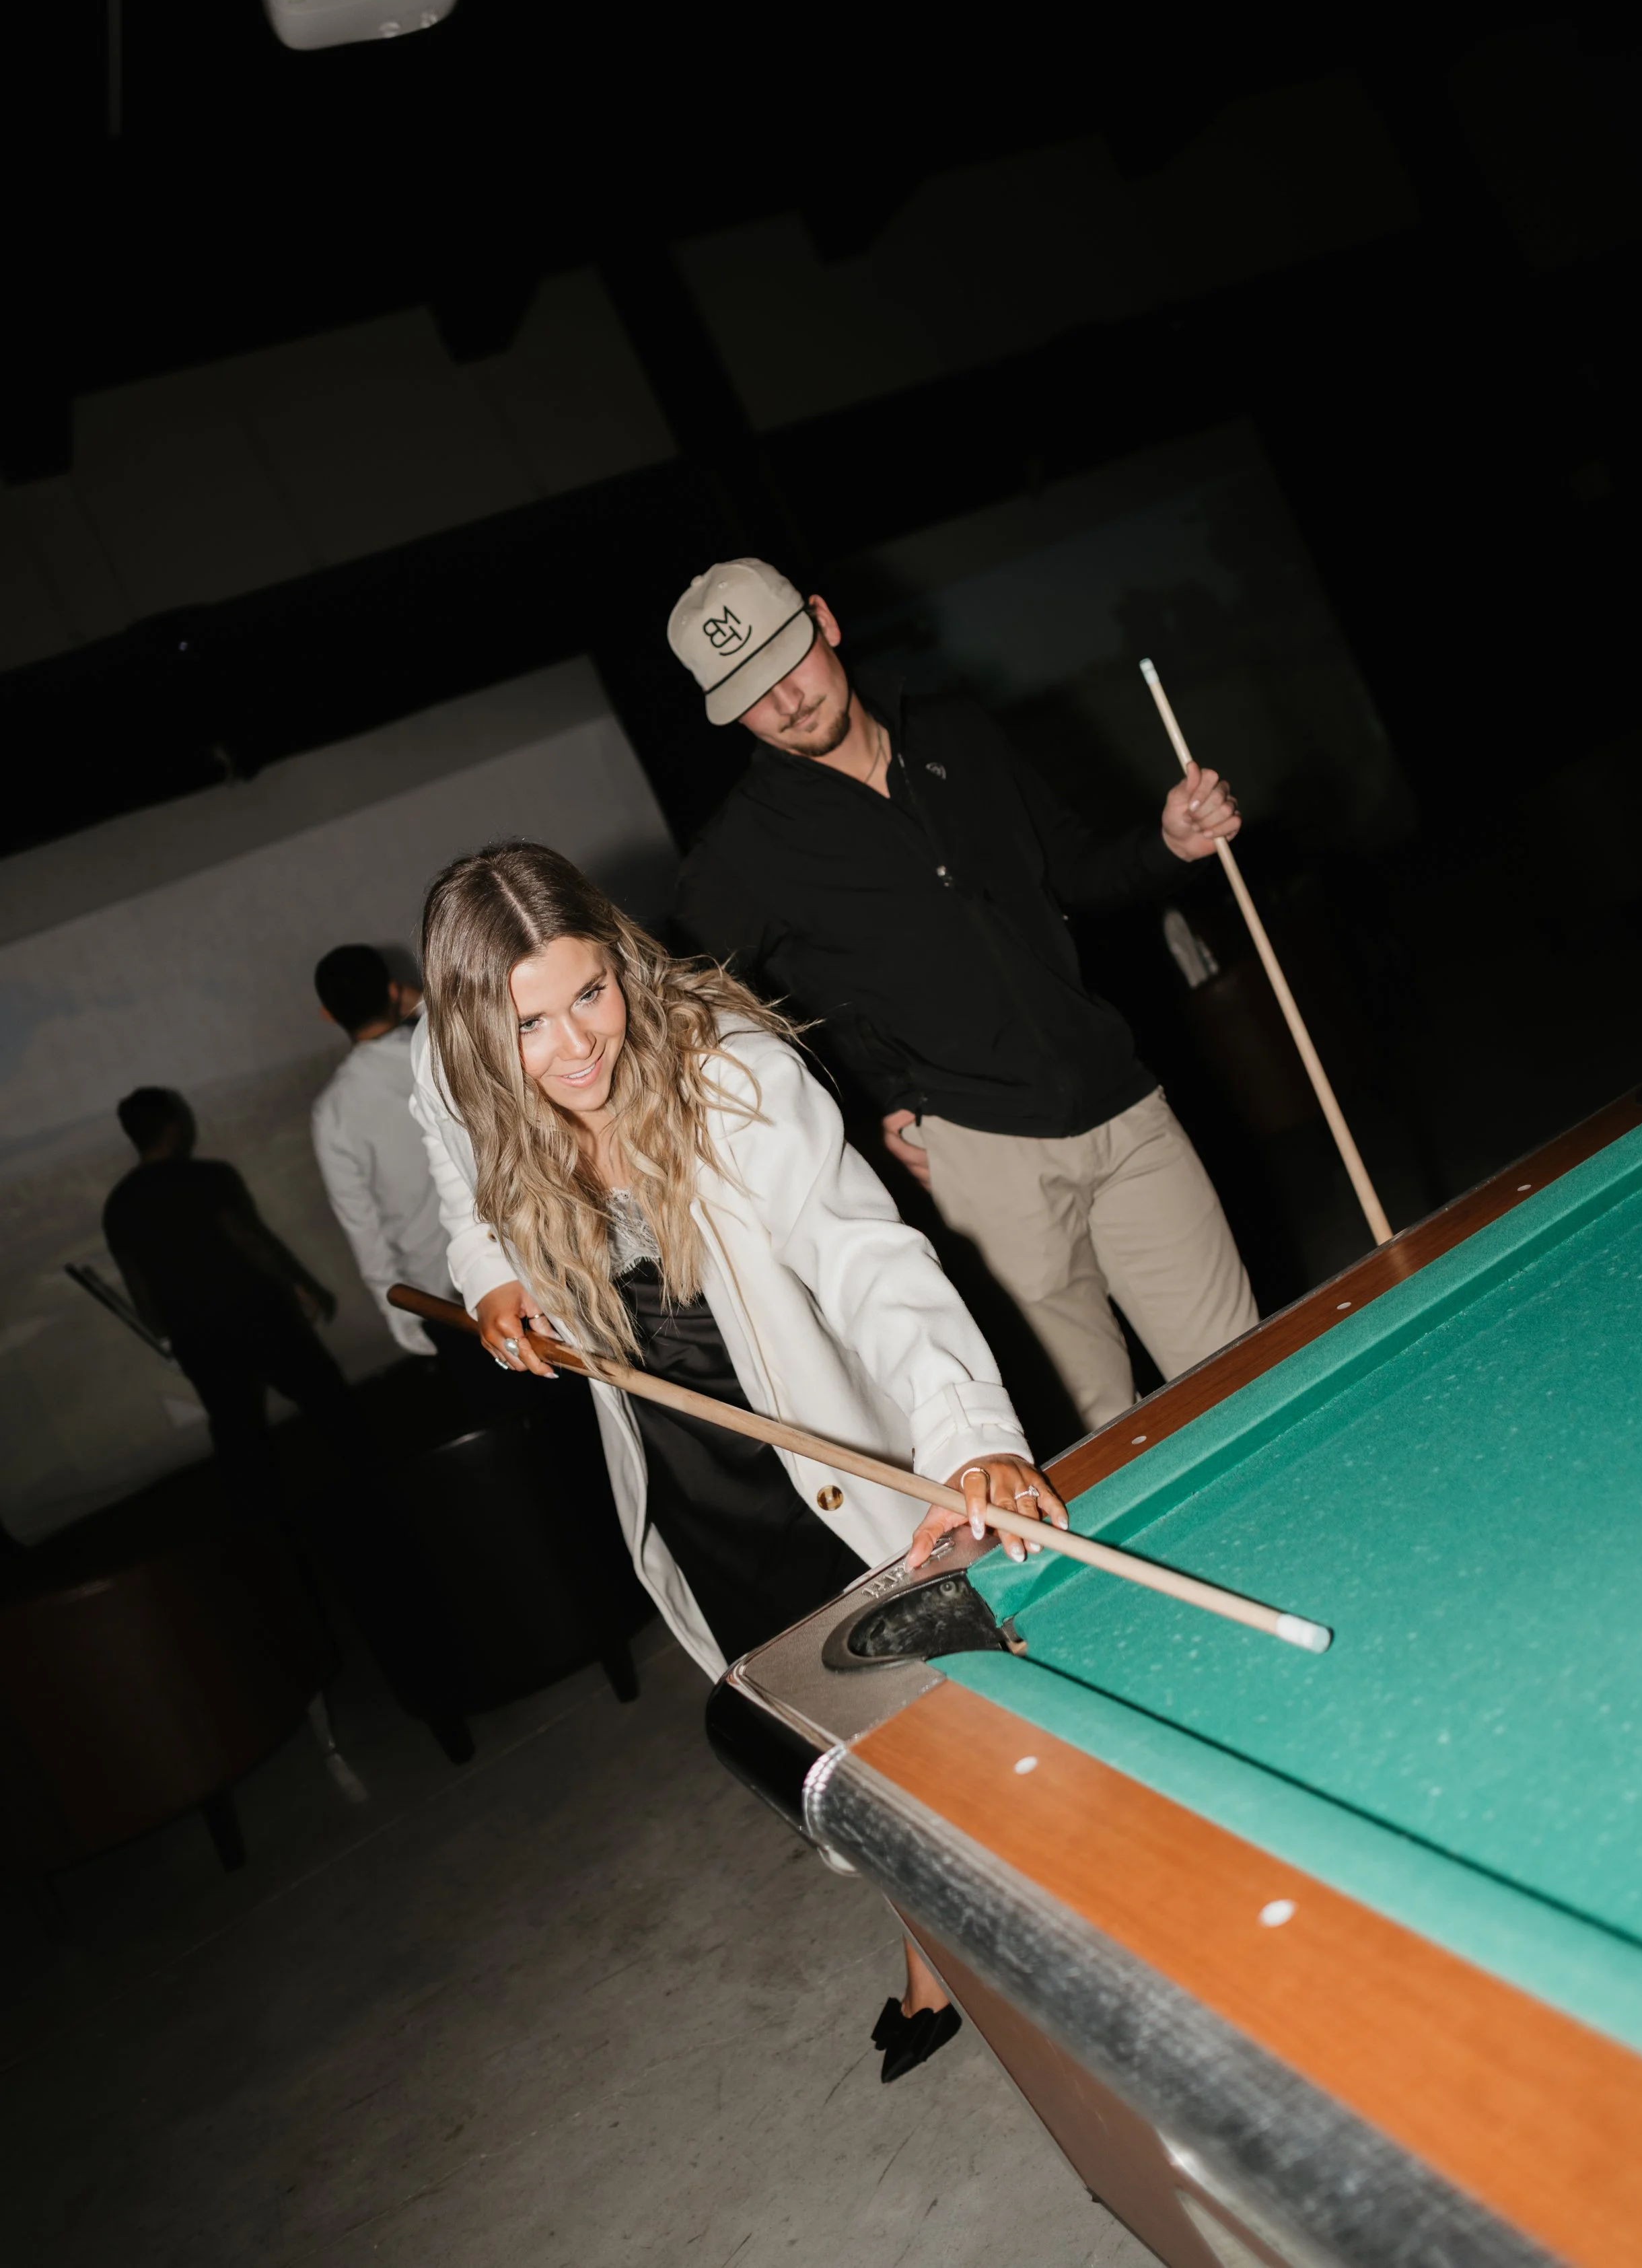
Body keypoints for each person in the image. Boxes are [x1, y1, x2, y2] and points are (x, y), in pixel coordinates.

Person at [408, 839, 1067, 2080]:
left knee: (937, 1712)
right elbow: (454, 1153)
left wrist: (970, 1430)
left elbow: (866, 1256)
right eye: (529, 1025)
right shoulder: (450, 1066)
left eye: (591, 993)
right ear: (473, 1031)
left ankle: (1041, 1921)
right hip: (682, 1469)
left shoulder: (734, 1073)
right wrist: (490, 1269)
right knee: (816, 1733)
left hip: (811, 1445)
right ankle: (929, 1934)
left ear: (620, 961)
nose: (576, 1046)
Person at [667, 558, 1259, 1437]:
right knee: (1103, 1439)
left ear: (824, 621)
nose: (786, 701)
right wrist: (860, 1109)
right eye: (751, 693)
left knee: (1245, 1380)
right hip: (979, 1161)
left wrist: (1168, 845)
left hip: (1123, 1110)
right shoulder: (742, 850)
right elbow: (699, 1020)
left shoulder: (960, 731)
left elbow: (1074, 871)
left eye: (789, 661)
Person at [103, 1088, 349, 1518]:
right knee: (327, 1402)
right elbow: (249, 1242)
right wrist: (300, 1286)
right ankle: (369, 1483)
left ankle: (264, 1525)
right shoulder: (209, 1178)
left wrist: (164, 1336)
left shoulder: (119, 1205)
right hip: (258, 1315)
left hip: (194, 1334)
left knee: (239, 1433)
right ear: (174, 1125)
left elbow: (137, 1284)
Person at [310, 944, 479, 1396]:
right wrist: (423, 1000)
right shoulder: (439, 1051)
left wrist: (398, 1313)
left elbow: (361, 1225)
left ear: (328, 1015)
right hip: (518, 1260)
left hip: (440, 1299)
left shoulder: (332, 1111)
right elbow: (476, 1019)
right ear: (393, 991)